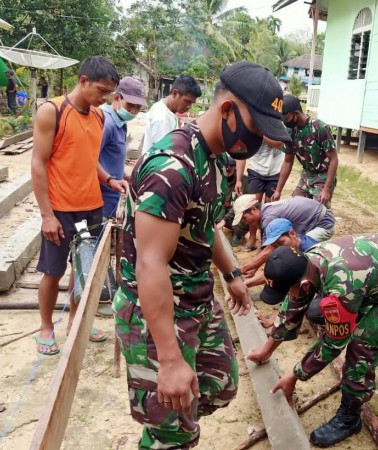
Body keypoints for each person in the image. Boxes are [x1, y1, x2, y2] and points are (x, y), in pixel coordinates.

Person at [113, 61, 290, 449]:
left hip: (195, 295)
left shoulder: (216, 159)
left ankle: (164, 421)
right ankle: (162, 431)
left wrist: (232, 275)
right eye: (256, 128)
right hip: (155, 311)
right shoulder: (172, 168)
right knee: (176, 431)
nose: (259, 140)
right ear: (227, 111)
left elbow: (206, 226)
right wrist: (170, 359)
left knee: (219, 384)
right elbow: (150, 263)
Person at [247, 235, 378, 447]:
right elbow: (293, 305)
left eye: (285, 290)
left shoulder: (342, 286)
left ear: (306, 284)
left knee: (363, 342)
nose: (286, 296)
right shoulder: (305, 263)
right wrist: (266, 350)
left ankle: (349, 418)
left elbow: (334, 343)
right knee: (321, 312)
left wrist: (295, 374)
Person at [31, 56, 125, 355]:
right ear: (83, 81)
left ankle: (75, 321)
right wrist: (47, 215)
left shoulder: (98, 116)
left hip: (91, 208)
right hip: (60, 209)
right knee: (53, 270)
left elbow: (88, 158)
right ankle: (46, 327)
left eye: (108, 93)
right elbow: (38, 163)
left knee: (81, 269)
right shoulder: (52, 112)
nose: (104, 98)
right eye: (100, 90)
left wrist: (109, 179)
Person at [231, 194, 335, 275]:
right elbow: (265, 247)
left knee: (296, 255)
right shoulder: (265, 211)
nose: (245, 223)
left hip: (323, 223)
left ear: (254, 209)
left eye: (244, 218)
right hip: (312, 219)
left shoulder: (269, 217)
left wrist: (243, 268)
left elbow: (269, 250)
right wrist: (254, 268)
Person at [272, 94, 338, 207]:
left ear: (296, 113)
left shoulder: (319, 128)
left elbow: (334, 159)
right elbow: (288, 161)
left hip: (323, 176)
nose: (285, 122)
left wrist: (326, 189)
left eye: (286, 119)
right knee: (294, 208)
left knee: (317, 212)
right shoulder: (290, 132)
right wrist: (278, 190)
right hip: (306, 176)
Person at [99, 77, 146, 219]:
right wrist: (110, 180)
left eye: (138, 108)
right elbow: (89, 160)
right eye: (130, 105)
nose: (133, 111)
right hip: (102, 197)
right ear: (117, 97)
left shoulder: (120, 122)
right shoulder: (107, 124)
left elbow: (110, 158)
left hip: (112, 195)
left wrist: (124, 175)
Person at [231, 137, 284, 248]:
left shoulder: (277, 123)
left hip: (276, 170)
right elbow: (241, 153)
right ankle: (252, 237)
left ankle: (267, 238)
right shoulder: (249, 127)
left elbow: (280, 144)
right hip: (256, 169)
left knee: (270, 206)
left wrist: (261, 135)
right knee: (251, 205)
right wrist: (239, 180)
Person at [142, 75, 202, 153]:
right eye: (187, 101)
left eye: (192, 103)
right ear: (174, 93)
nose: (189, 106)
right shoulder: (161, 118)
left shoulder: (167, 110)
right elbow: (162, 152)